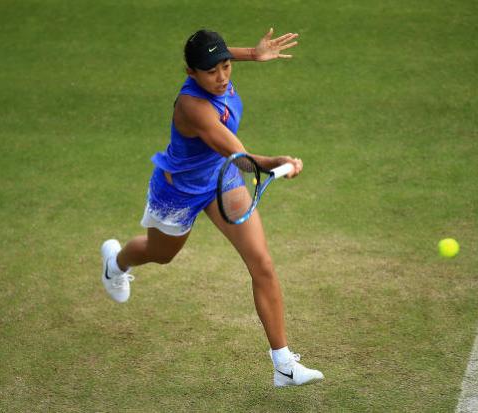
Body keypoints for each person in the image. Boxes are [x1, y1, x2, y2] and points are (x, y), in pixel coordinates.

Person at [100, 28, 323, 387]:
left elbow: (218, 58)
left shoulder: (216, 74)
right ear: (191, 73)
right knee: (160, 254)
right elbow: (245, 160)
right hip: (179, 192)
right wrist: (278, 161)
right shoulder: (194, 107)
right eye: (211, 71)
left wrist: (252, 52)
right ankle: (116, 263)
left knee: (262, 263)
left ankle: (283, 365)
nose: (221, 77)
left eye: (225, 66)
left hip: (221, 178)